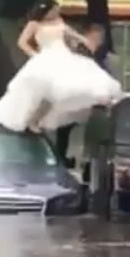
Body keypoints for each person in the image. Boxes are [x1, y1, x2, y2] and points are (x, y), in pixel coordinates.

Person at [0, 0, 123, 134]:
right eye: (54, 10)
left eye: (57, 10)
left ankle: (42, 119)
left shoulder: (59, 22)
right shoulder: (34, 24)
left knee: (72, 83)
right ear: (46, 11)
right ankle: (31, 119)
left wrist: (85, 41)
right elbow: (22, 42)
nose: (56, 13)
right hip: (46, 56)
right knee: (40, 91)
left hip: (63, 55)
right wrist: (34, 54)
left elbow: (72, 34)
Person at [54, 22, 108, 158]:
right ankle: (63, 158)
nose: (97, 42)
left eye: (99, 38)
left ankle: (81, 160)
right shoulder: (77, 54)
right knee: (65, 130)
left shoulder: (103, 58)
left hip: (92, 104)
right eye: (94, 38)